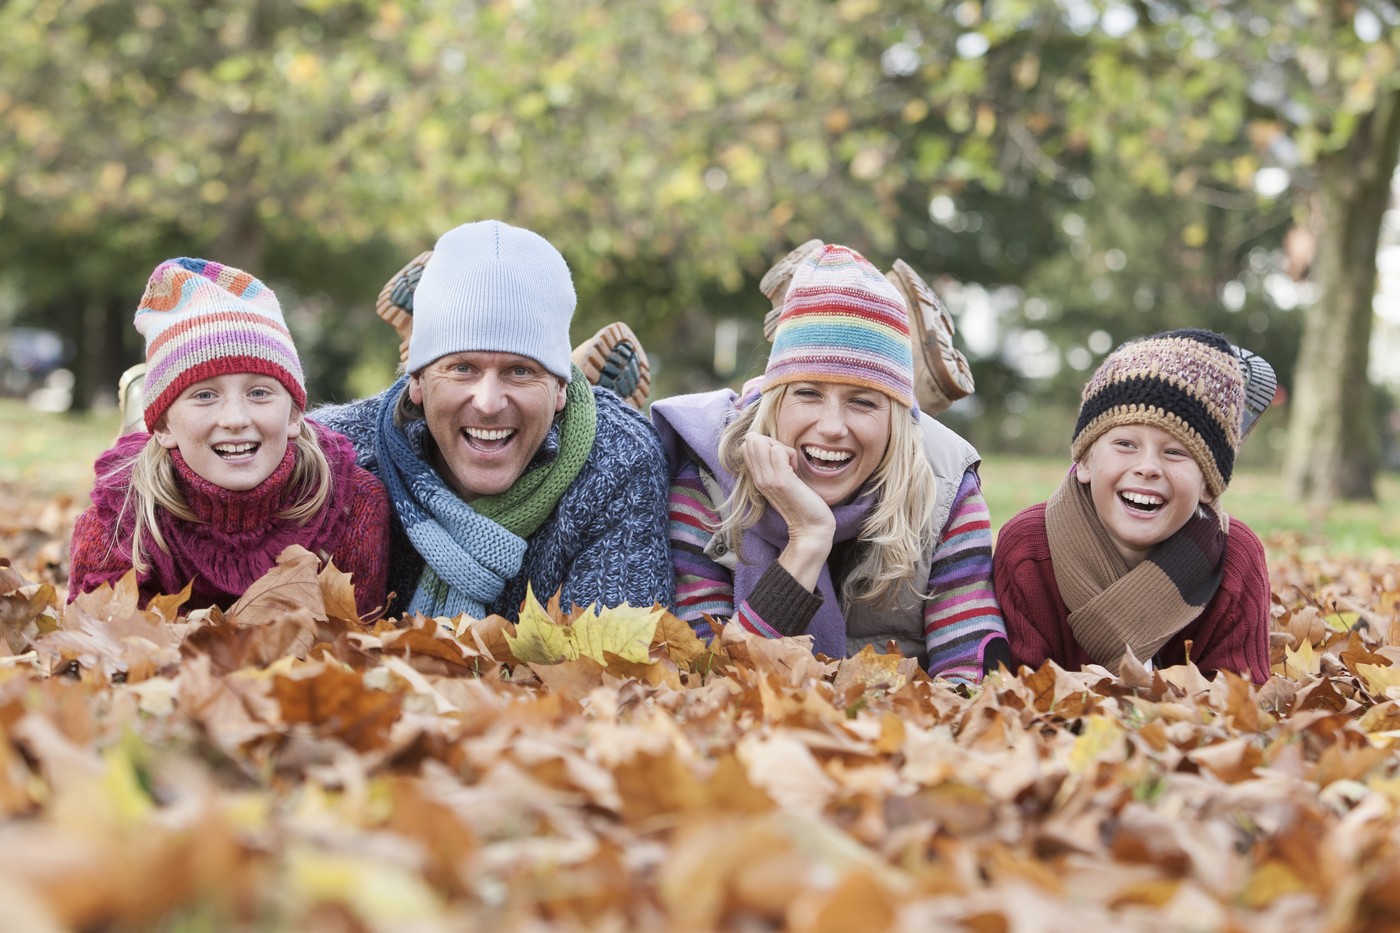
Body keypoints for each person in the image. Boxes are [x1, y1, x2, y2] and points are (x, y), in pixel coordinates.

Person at [652, 244, 1010, 684]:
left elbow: (971, 673)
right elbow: (706, 683)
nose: (832, 427)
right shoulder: (708, 475)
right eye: (807, 393)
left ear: (897, 416)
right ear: (775, 398)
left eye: (862, 402)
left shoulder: (947, 484)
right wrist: (806, 541)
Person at [311, 219, 674, 620]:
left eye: (520, 370)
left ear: (559, 388)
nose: (487, 403)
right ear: (415, 379)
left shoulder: (618, 459)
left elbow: (615, 667)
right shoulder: (336, 454)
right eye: (462, 367)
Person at [69, 258, 391, 618]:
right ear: (162, 426)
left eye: (259, 393)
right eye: (205, 395)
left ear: (295, 415)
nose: (235, 419)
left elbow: (355, 649)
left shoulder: (351, 504)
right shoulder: (120, 519)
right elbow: (99, 649)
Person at [993, 328, 1272, 682]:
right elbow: (1016, 692)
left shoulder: (1236, 557)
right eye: (1125, 444)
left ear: (1209, 485)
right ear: (1085, 462)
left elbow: (1241, 702)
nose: (1148, 467)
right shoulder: (1029, 548)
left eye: (1175, 452)